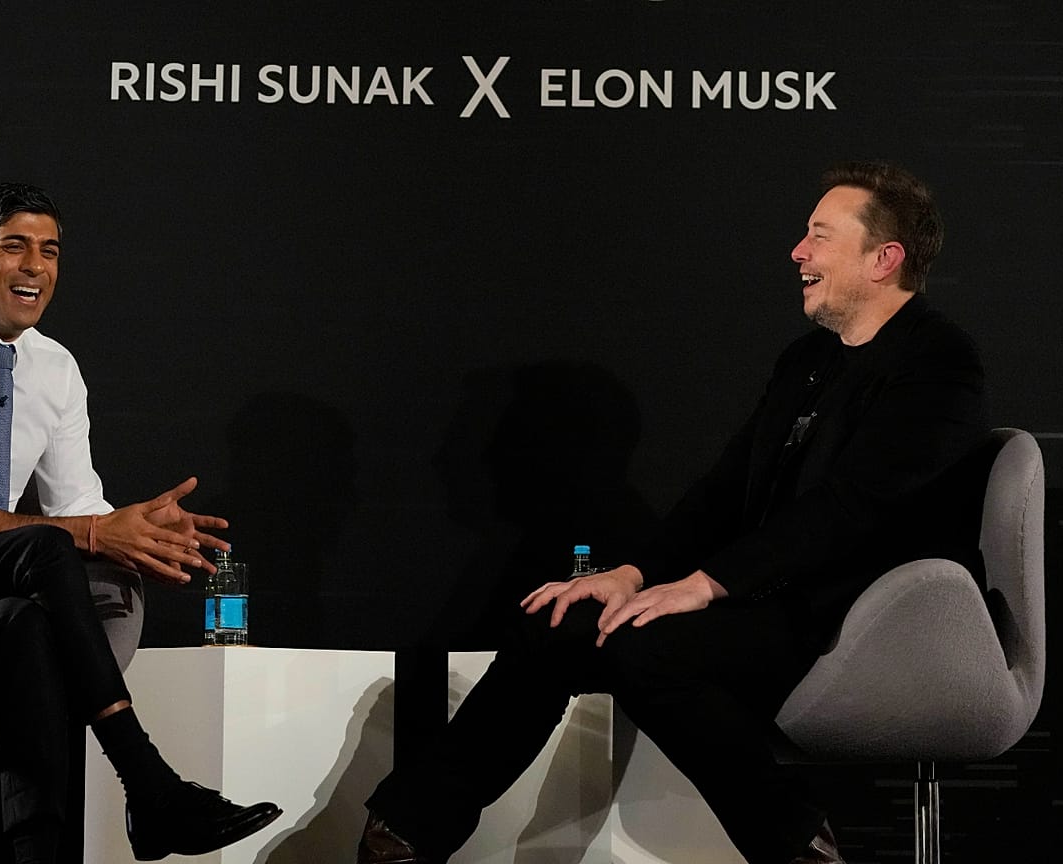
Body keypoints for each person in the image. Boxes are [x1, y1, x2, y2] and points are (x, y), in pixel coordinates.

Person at [357, 161, 988, 864]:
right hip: (767, 600)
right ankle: (406, 835)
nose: (797, 253)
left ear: (884, 259)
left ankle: (796, 845)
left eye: (819, 237)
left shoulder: (939, 363)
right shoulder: (808, 359)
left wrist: (705, 584)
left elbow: (855, 509)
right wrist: (632, 573)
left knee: (643, 647)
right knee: (565, 621)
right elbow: (722, 490)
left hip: (855, 616)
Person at [0, 182, 282, 863]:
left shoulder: (55, 368)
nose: (36, 267)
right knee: (44, 550)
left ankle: (42, 850)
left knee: (29, 621)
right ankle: (149, 785)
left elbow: (77, 508)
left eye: (50, 252)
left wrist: (139, 538)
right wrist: (93, 534)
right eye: (15, 248)